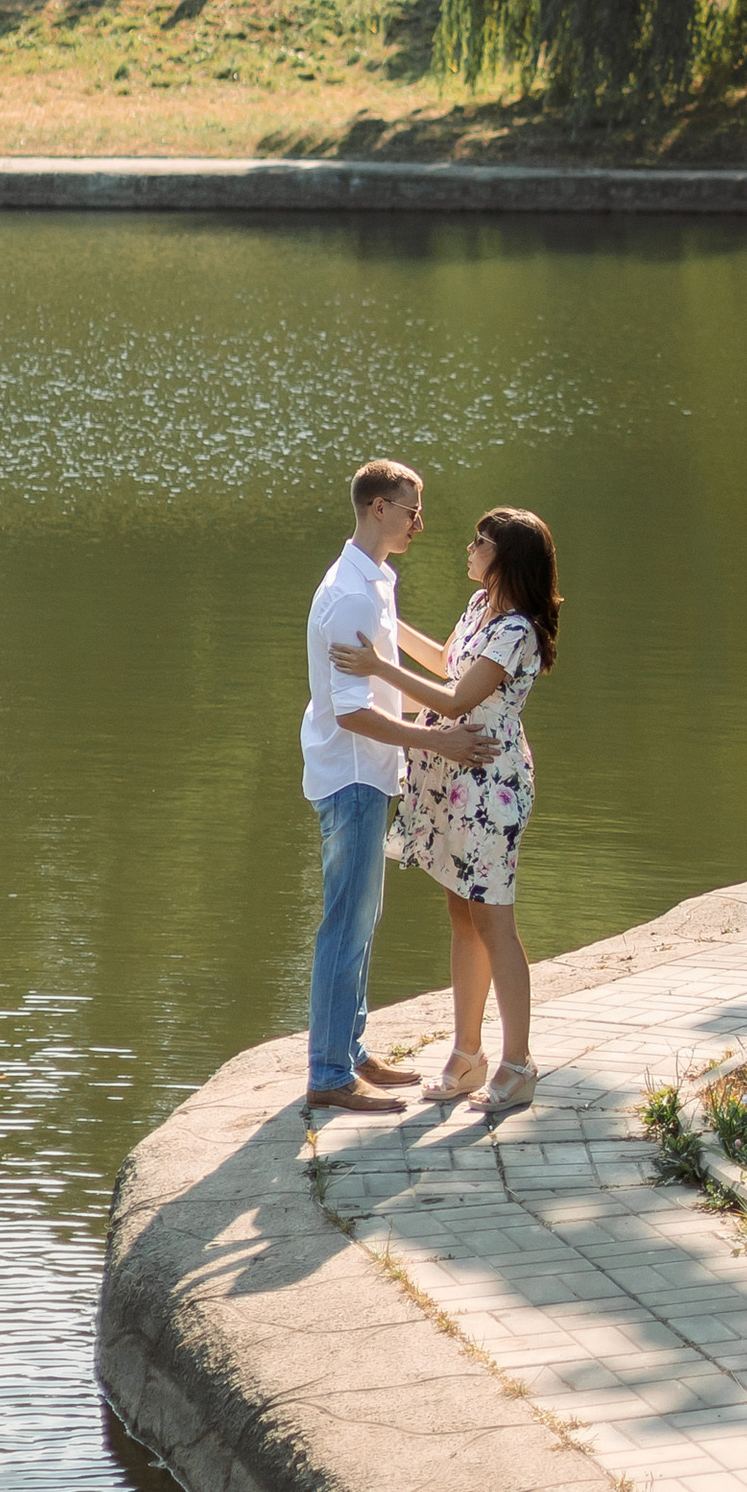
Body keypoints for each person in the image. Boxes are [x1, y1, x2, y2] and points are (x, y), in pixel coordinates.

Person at [343, 505, 559, 1120]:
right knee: (462, 917)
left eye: (480, 542)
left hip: (489, 788)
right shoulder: (480, 609)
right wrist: (389, 625)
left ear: (505, 558)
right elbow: (445, 661)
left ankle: (518, 1066)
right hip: (451, 782)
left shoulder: (516, 630)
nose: (469, 547)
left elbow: (457, 696)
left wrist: (378, 666)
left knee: (496, 926)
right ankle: (468, 1056)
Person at [300, 461, 491, 1117]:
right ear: (378, 508)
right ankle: (327, 1072)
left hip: (368, 768)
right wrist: (438, 740)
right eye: (412, 509)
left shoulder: (373, 578)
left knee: (361, 918)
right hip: (351, 771)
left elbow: (382, 678)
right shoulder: (352, 595)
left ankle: (348, 1053)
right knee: (344, 925)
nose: (419, 522)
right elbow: (351, 711)